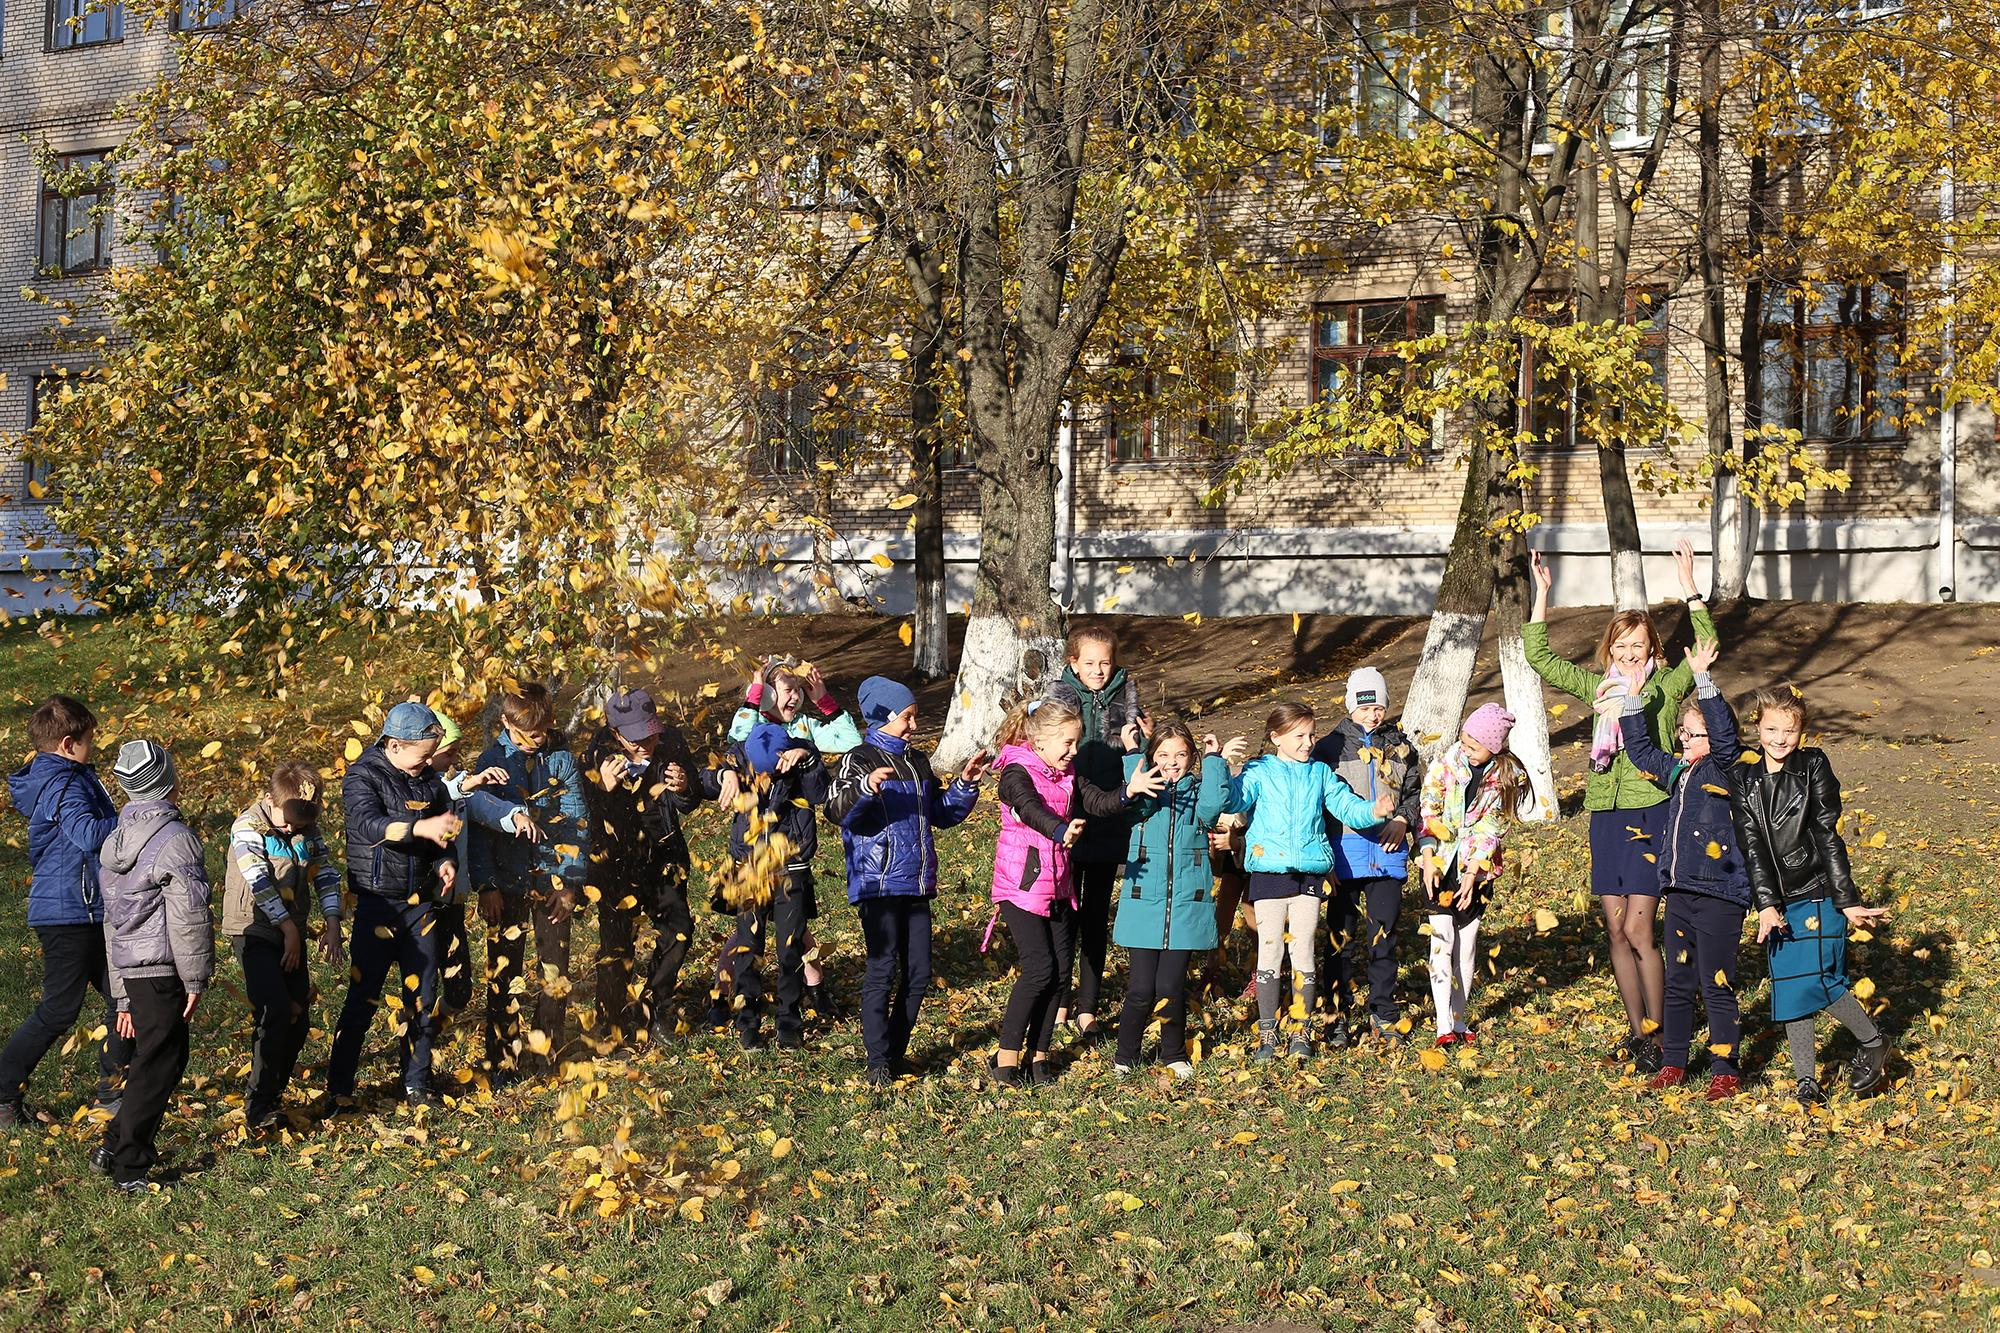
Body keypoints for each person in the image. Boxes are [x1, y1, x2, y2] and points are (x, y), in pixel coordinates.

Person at [1526, 539, 1718, 1072]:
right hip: (1605, 813)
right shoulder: (1599, 689)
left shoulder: (1665, 687)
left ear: (1653, 649)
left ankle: (1664, 1034)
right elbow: (1539, 656)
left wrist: (1691, 592)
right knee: (1613, 929)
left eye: (1638, 646)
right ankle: (1638, 1033)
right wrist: (1543, 593)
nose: (1629, 655)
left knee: (1639, 929)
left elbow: (1707, 645)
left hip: (1649, 810)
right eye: (1620, 647)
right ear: (1609, 651)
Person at [987, 695, 1163, 1087]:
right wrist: (1059, 829)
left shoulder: (1067, 773)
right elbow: (1028, 807)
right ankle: (1005, 1056)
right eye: (1066, 743)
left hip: (1059, 885)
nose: (1072, 751)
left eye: (1076, 742)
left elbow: (1098, 803)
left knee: (1060, 969)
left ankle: (1039, 1054)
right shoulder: (1016, 771)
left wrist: (1127, 792)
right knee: (1039, 968)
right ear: (1039, 740)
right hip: (1022, 886)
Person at [1735, 684, 1892, 1105]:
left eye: (1789, 730)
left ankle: (1873, 1041)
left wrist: (1847, 898)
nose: (1779, 738)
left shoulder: (1812, 766)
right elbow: (1752, 848)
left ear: (1802, 731)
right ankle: (1807, 1080)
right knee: (1790, 986)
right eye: (1771, 728)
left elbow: (1828, 835)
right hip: (1780, 902)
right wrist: (1766, 905)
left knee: (1820, 981)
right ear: (1758, 728)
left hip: (1819, 890)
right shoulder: (1744, 779)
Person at [826, 676, 985, 1085]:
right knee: (882, 968)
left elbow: (941, 813)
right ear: (883, 717)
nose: (914, 725)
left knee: (919, 973)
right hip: (878, 883)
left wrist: (965, 784)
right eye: (907, 717)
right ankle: (877, 1062)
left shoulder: (917, 763)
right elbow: (838, 811)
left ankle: (894, 1054)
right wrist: (865, 788)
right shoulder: (857, 759)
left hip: (915, 882)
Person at [1617, 639, 1752, 1100]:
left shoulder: (1726, 768)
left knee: (1716, 982)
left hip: (1720, 894)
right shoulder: (1679, 771)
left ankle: (1724, 1067)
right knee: (1678, 982)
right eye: (1683, 733)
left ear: (1713, 737)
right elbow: (1640, 751)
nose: (1683, 739)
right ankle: (1674, 1061)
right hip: (1678, 892)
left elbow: (1725, 736)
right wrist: (1632, 696)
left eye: (1693, 733)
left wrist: (1703, 681)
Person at [1224, 701, 1393, 1064]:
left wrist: (1373, 811)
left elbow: (1346, 806)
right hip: (1269, 873)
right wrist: (1217, 766)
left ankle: (1300, 1031)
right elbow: (1232, 799)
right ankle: (1267, 1033)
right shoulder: (1259, 771)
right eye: (1299, 735)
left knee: (1302, 953)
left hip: (1310, 875)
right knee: (1270, 952)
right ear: (1276, 737)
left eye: (1312, 734)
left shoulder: (1319, 773)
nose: (1308, 742)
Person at [0, 694, 132, 1127]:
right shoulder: (65, 781)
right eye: (90, 739)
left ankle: (112, 1094)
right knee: (59, 1010)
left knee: (124, 1000)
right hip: (69, 914)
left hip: (85, 910)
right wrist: (137, 818)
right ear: (68, 743)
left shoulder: (61, 775)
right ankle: (3, 1094)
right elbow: (89, 834)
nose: (94, 747)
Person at [325, 701, 461, 1113]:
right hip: (377, 905)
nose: (426, 766)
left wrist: (445, 861)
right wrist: (420, 827)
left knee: (423, 997)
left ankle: (417, 1083)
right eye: (421, 756)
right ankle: (339, 1088)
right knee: (363, 998)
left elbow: (442, 836)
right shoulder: (362, 777)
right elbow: (367, 826)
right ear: (395, 745)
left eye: (431, 757)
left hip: (421, 904)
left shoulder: (431, 782)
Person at [90, 741, 212, 1194]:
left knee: (155, 1060)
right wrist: (195, 976)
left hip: (135, 970)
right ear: (168, 782)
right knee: (158, 1064)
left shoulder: (114, 843)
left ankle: (113, 1143)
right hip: (162, 969)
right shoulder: (176, 839)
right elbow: (189, 913)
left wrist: (121, 990)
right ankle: (130, 1165)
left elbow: (113, 924)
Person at [466, 683, 590, 1081]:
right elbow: (481, 831)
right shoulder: (492, 762)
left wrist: (569, 885)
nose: (536, 740)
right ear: (505, 722)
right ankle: (502, 1059)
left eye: (541, 731)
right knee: (504, 975)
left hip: (552, 881)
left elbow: (575, 825)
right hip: (506, 883)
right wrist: (486, 886)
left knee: (555, 972)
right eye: (526, 733)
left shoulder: (561, 761)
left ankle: (544, 1056)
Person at [727, 656, 860, 1017]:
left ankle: (815, 991)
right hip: (753, 848)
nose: (796, 698)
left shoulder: (804, 727)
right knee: (747, 933)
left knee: (795, 930)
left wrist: (824, 701)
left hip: (791, 849)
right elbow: (737, 737)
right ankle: (726, 997)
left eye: (800, 691)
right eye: (789, 691)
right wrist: (756, 694)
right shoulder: (752, 724)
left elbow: (850, 740)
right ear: (769, 694)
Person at [1110, 722, 1238, 1079]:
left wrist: (1214, 760)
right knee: (1139, 989)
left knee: (1170, 987)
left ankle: (1173, 1053)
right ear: (1152, 758)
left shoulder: (1197, 794)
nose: (1172, 762)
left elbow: (1213, 808)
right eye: (1163, 755)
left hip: (1186, 904)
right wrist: (1133, 755)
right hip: (1143, 903)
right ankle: (1126, 1055)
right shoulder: (1146, 796)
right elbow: (1132, 806)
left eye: (1181, 754)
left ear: (1192, 757)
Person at [223, 761, 345, 1130]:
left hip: (290, 930)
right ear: (269, 800)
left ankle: (274, 1092)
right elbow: (259, 882)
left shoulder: (308, 828)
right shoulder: (248, 826)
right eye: (287, 821)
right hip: (254, 929)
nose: (292, 829)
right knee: (275, 1008)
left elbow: (322, 872)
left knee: (298, 1016)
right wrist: (288, 928)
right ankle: (258, 1104)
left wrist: (333, 922)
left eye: (301, 825)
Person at [579, 689, 703, 1044]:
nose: (648, 741)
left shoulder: (671, 742)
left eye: (651, 732)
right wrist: (603, 788)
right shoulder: (595, 754)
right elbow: (582, 815)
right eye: (636, 737)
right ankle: (611, 1021)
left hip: (664, 857)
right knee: (616, 946)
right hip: (617, 863)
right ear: (616, 734)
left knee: (678, 931)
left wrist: (683, 787)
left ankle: (653, 1009)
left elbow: (689, 800)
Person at [1310, 667, 1424, 1046]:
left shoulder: (1402, 747)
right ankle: (1336, 1014)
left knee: (1384, 938)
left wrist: (1404, 822)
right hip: (1343, 858)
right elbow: (1319, 807)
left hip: (1388, 856)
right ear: (1350, 706)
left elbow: (1415, 795)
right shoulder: (1327, 748)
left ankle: (1383, 1013)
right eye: (1364, 707)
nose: (1373, 715)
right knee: (1340, 940)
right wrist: (1325, 860)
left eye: (1378, 706)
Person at [1045, 626, 1147, 1044]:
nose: (1098, 670)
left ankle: (1088, 1005)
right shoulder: (1059, 694)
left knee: (1095, 913)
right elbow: (1046, 742)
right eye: (1089, 663)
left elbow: (1140, 746)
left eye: (1105, 662)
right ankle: (1061, 998)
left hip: (1110, 810)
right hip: (1067, 812)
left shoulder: (1128, 693)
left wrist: (1135, 742)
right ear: (1073, 663)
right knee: (1063, 912)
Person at [701, 721, 829, 1051]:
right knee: (748, 946)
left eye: (774, 771)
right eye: (762, 772)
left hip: (791, 867)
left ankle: (789, 1020)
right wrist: (723, 775)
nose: (768, 779)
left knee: (789, 947)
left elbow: (821, 793)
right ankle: (748, 1021)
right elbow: (703, 780)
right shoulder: (737, 760)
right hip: (748, 869)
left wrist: (807, 759)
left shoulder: (802, 758)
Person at [1417, 705, 1540, 1047]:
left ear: (1495, 748)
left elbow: (1491, 829)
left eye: (1475, 747)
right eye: (1465, 742)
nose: (1466, 750)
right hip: (1439, 866)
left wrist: (1472, 873)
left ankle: (1460, 1019)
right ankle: (1444, 1027)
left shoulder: (1505, 778)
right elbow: (1429, 809)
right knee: (1442, 941)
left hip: (1478, 871)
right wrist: (1428, 858)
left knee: (1466, 946)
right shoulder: (1447, 764)